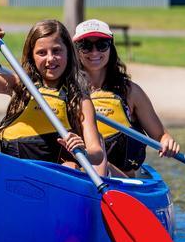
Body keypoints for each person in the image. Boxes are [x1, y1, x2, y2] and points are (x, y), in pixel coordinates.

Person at [0, 19, 107, 175]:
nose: (50, 58)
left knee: (70, 167)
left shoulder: (79, 100)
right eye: (42, 53)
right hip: (14, 175)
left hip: (54, 180)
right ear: (32, 56)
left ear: (68, 53)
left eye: (56, 51)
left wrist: (83, 151)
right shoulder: (19, 86)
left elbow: (97, 154)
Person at [73, 18, 179, 176]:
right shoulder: (69, 93)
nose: (94, 52)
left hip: (123, 181)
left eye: (102, 45)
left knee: (101, 165)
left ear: (111, 48)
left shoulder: (131, 92)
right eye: (86, 46)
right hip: (82, 176)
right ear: (76, 50)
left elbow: (160, 135)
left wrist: (167, 141)